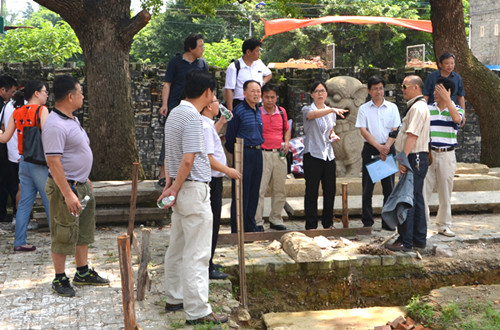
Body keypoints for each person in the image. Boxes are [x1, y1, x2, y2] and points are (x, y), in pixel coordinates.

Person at [158, 70, 228, 325]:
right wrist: (174, 187)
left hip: (179, 189)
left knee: (177, 247)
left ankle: (174, 297)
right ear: (208, 93)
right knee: (197, 253)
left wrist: (169, 184)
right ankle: (198, 310)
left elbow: (168, 155)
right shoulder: (194, 119)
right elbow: (188, 159)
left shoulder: (175, 113)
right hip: (192, 188)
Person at [42, 75, 109, 297]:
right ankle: (59, 277)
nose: (82, 96)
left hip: (81, 184)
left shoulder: (71, 119)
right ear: (70, 96)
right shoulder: (54, 125)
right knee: (63, 231)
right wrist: (68, 193)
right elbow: (53, 162)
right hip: (66, 189)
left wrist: (84, 177)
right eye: (80, 93)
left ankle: (82, 271)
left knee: (84, 230)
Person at [0, 80, 51, 252]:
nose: (46, 94)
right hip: (40, 163)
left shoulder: (17, 112)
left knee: (24, 204)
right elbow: (49, 137)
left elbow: (5, 138)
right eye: (44, 91)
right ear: (36, 93)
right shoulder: (42, 110)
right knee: (50, 201)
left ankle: (19, 242)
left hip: (24, 162)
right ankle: (59, 240)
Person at [156, 33, 208, 187]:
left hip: (195, 108)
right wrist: (164, 105)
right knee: (170, 139)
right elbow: (167, 84)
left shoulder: (202, 64)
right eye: (200, 46)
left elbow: (206, 86)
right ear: (190, 48)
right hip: (175, 106)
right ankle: (163, 174)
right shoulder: (176, 62)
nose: (202, 49)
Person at [385, 75, 430, 252]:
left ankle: (406, 240)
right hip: (415, 157)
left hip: (414, 157)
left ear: (416, 87)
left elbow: (412, 135)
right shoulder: (416, 107)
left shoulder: (418, 108)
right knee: (416, 198)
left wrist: (402, 158)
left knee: (407, 199)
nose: (402, 89)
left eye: (405, 86)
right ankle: (418, 238)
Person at [201, 96, 241, 280]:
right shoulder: (204, 124)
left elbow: (211, 137)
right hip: (212, 180)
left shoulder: (208, 124)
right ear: (209, 105)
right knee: (212, 222)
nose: (220, 104)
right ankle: (207, 266)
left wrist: (222, 121)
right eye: (216, 101)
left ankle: (209, 260)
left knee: (213, 222)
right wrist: (228, 170)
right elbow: (208, 158)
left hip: (214, 179)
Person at [355, 76, 401, 230]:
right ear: (369, 91)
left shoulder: (392, 108)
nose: (378, 91)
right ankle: (367, 222)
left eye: (380, 88)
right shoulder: (364, 109)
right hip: (370, 149)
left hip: (388, 148)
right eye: (374, 88)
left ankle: (388, 222)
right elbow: (363, 130)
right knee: (368, 187)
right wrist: (378, 147)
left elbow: (396, 129)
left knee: (389, 187)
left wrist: (386, 147)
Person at [302, 82, 348, 230]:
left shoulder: (330, 111)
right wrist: (332, 110)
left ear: (326, 93)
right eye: (317, 91)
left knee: (330, 190)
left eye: (322, 91)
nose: (320, 94)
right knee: (312, 191)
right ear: (312, 94)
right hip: (313, 154)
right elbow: (312, 115)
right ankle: (311, 225)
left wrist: (333, 135)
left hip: (328, 155)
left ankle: (328, 223)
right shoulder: (307, 109)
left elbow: (330, 130)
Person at [423, 77, 464, 238]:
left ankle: (444, 225)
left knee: (445, 193)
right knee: (423, 192)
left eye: (438, 90)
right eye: (434, 90)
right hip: (429, 154)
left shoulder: (458, 109)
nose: (434, 93)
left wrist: (448, 100)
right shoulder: (427, 109)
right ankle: (422, 226)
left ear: (447, 92)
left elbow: (457, 120)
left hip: (447, 155)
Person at [225, 80, 264, 233]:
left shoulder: (258, 110)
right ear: (245, 93)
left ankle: (250, 225)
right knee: (242, 192)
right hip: (243, 153)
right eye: (253, 91)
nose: (256, 94)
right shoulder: (239, 111)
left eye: (258, 91)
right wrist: (236, 156)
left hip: (257, 153)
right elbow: (230, 138)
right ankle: (238, 228)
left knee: (255, 191)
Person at [255, 84, 290, 232]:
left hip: (279, 154)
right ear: (262, 97)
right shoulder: (256, 112)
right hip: (262, 153)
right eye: (267, 97)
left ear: (277, 98)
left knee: (280, 189)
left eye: (272, 97)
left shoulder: (282, 112)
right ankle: (257, 222)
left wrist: (287, 142)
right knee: (259, 190)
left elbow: (287, 129)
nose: (270, 100)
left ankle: (276, 219)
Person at [224, 38, 272, 111]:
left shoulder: (259, 63)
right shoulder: (234, 67)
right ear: (248, 52)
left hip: (257, 105)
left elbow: (269, 74)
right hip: (241, 104)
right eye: (257, 51)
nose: (259, 53)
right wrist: (231, 111)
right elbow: (229, 90)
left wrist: (262, 83)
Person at [423, 52, 466, 126]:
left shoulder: (457, 78)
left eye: (452, 63)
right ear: (440, 64)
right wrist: (423, 112)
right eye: (447, 63)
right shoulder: (432, 77)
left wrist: (463, 114)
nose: (450, 66)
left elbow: (460, 96)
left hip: (450, 111)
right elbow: (426, 95)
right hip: (434, 110)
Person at [0, 75, 18, 223]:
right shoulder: (5, 106)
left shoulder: (7, 105)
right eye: (11, 92)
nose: (13, 95)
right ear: (2, 90)